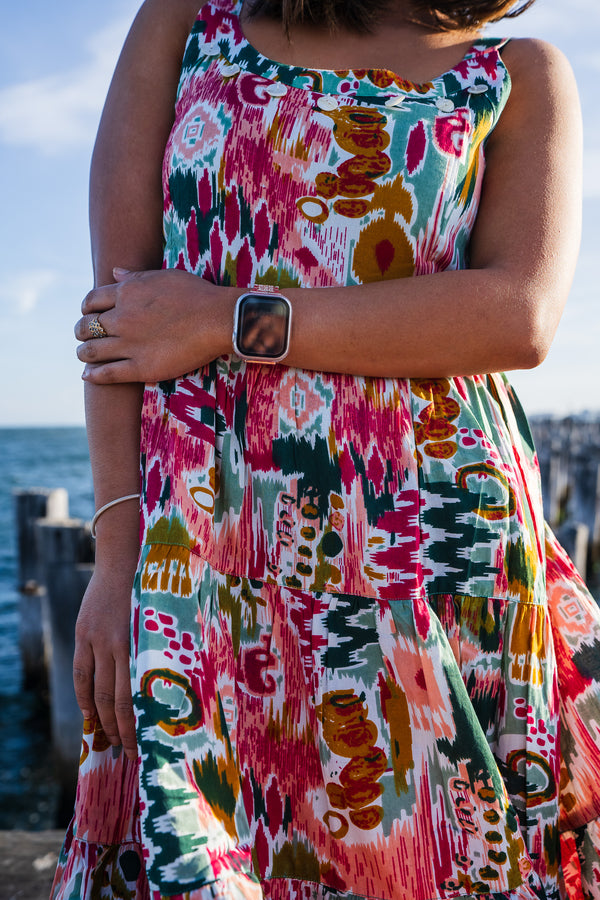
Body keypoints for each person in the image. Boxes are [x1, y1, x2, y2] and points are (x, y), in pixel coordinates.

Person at [50, 0, 600, 897]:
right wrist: (116, 564)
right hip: (211, 555)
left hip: (432, 551)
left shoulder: (516, 74)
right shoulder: (186, 21)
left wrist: (228, 321)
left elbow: (518, 315)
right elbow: (122, 316)